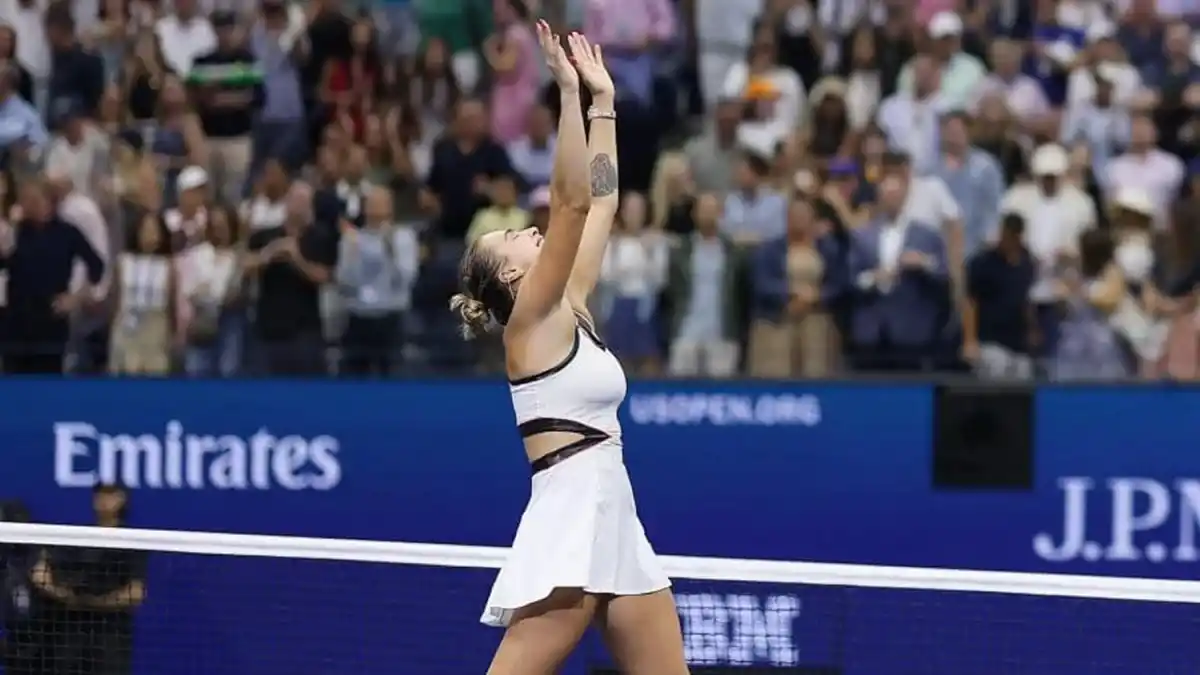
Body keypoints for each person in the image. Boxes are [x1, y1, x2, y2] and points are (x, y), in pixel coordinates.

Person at [448, 25, 688, 675]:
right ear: (513, 279)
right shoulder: (529, 324)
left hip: (616, 507)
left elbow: (602, 198)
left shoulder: (571, 304)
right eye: (514, 237)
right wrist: (564, 92)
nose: (529, 230)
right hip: (570, 512)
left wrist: (602, 101)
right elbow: (571, 200)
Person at [30, 483, 146, 675]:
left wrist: (94, 602)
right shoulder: (77, 538)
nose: (104, 501)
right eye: (100, 495)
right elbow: (40, 574)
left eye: (111, 495)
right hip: (70, 635)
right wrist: (64, 596)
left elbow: (135, 592)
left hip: (110, 636)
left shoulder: (132, 542)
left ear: (122, 499)